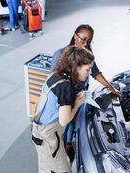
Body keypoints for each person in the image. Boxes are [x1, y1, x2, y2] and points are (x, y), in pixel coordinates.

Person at [50, 24, 122, 162]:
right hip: (65, 98)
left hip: (78, 96)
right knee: (64, 123)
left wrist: (112, 88)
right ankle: (62, 148)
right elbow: (54, 80)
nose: (85, 44)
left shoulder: (86, 53)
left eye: (89, 41)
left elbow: (95, 72)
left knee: (72, 122)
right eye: (83, 39)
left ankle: (69, 143)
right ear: (75, 35)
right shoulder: (59, 55)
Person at [32, 45, 95, 173]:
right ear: (77, 67)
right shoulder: (65, 88)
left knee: (47, 168)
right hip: (48, 136)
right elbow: (64, 121)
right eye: (87, 69)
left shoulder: (56, 75)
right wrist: (78, 103)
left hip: (40, 131)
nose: (89, 73)